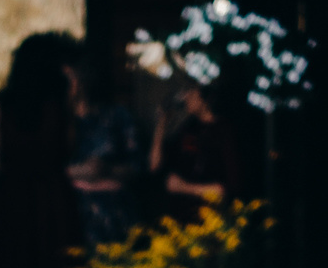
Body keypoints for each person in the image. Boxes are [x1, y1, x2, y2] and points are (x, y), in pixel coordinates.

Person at [0, 32, 84, 268]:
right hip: (52, 197)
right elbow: (67, 150)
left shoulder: (1, 106)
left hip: (14, 196)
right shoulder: (58, 104)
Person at [66, 57, 144, 249]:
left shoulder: (117, 116)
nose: (65, 85)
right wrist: (80, 171)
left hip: (115, 215)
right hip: (72, 215)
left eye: (70, 78)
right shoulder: (59, 121)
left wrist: (107, 169)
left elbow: (139, 166)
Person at [151, 83, 242, 224]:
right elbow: (155, 165)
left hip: (210, 218)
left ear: (205, 101)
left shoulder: (223, 131)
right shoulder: (188, 128)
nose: (186, 98)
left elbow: (228, 187)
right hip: (181, 216)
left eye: (192, 95)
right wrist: (161, 125)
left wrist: (184, 188)